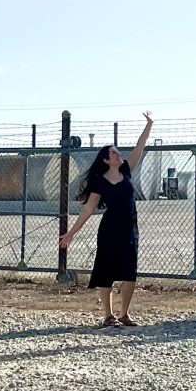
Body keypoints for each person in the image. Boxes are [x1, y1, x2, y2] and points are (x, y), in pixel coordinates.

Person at [59, 111, 154, 328]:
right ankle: (108, 316)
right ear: (105, 159)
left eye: (117, 151)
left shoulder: (127, 170)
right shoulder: (100, 182)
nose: (118, 154)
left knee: (129, 273)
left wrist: (149, 124)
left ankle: (124, 314)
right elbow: (88, 210)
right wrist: (72, 232)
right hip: (109, 231)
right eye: (113, 152)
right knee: (106, 271)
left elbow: (141, 145)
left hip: (129, 230)